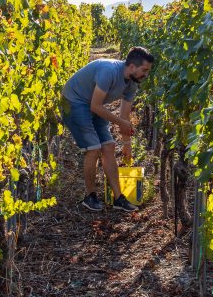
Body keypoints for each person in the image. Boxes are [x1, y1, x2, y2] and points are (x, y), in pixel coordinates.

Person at [60, 46, 154, 212]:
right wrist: (120, 122)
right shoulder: (108, 71)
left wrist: (127, 144)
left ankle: (119, 198)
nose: (146, 74)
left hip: (93, 104)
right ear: (132, 66)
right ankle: (90, 196)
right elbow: (96, 106)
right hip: (74, 101)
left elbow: (124, 117)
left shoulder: (132, 83)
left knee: (109, 146)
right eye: (144, 70)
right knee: (94, 148)